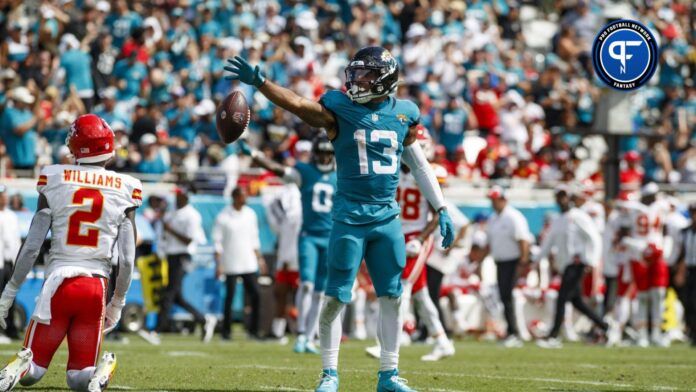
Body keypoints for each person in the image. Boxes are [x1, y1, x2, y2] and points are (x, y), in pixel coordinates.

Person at [225, 46, 455, 392]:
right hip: (349, 218)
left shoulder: (405, 113)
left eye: (366, 74)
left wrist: (441, 207)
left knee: (393, 295)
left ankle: (389, 375)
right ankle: (329, 373)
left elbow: (418, 162)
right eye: (356, 73)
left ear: (385, 78)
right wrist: (262, 84)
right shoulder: (340, 109)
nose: (357, 80)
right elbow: (299, 105)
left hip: (386, 218)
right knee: (335, 296)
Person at [0, 114, 141, 391]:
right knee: (79, 377)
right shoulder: (126, 186)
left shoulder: (55, 177)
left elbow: (32, 245)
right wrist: (118, 301)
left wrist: (9, 292)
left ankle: (22, 364)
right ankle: (99, 372)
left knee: (34, 371)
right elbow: (126, 257)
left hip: (59, 283)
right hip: (96, 286)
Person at [365, 125, 455, 361]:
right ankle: (442, 341)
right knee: (421, 295)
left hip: (417, 236)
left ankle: (390, 342)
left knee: (401, 286)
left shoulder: (431, 171)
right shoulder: (392, 168)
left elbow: (438, 212)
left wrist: (421, 238)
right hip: (397, 235)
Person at [240, 135, 337, 354]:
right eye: (320, 153)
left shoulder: (341, 176)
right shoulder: (305, 171)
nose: (323, 158)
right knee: (307, 285)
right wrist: (254, 155)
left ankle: (310, 336)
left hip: (329, 237)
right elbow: (279, 170)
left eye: (327, 153)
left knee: (320, 292)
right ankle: (301, 333)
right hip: (309, 236)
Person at [534, 186, 614, 349]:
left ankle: (553, 335)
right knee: (577, 302)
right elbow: (548, 244)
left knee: (562, 298)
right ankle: (605, 326)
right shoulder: (559, 220)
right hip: (566, 266)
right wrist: (535, 260)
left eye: (563, 196)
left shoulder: (578, 216)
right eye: (559, 197)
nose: (561, 200)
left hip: (577, 264)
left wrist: (591, 261)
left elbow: (594, 238)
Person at [156, 187, 215, 341]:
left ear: (186, 197)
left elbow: (188, 240)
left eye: (179, 196)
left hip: (183, 255)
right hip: (172, 254)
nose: (176, 199)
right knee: (176, 297)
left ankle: (157, 330)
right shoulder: (174, 212)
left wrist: (170, 229)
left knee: (169, 293)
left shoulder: (192, 215)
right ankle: (203, 319)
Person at [212, 187, 265, 340]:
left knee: (256, 295)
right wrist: (219, 263)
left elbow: (254, 239)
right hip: (230, 263)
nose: (245, 198)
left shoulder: (250, 214)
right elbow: (217, 242)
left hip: (248, 262)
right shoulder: (223, 216)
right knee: (229, 297)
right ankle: (226, 332)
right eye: (243, 196)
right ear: (235, 197)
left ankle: (254, 331)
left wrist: (259, 259)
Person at [484, 185, 531, 348]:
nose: (493, 203)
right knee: (504, 297)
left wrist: (523, 262)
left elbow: (523, 240)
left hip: (513, 261)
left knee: (508, 297)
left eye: (495, 199)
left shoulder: (513, 217)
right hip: (501, 262)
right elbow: (489, 244)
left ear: (504, 199)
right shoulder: (493, 219)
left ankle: (515, 333)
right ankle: (512, 331)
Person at [0, 185, 21, 341]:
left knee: (11, 296)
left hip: (10, 262)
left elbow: (16, 240)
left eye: (5, 194)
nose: (4, 197)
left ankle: (10, 329)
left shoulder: (12, 216)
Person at [677, 203, 696, 346]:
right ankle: (691, 332)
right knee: (688, 302)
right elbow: (683, 254)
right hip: (690, 270)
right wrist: (680, 272)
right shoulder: (686, 231)